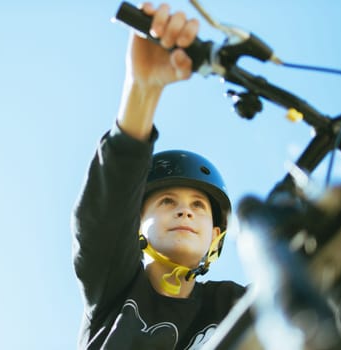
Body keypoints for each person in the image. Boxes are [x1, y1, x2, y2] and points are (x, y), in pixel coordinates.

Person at [71, 2, 245, 349]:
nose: (185, 211)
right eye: (168, 201)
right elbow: (104, 215)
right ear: (134, 223)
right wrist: (143, 88)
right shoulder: (115, 287)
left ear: (215, 235)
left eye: (199, 205)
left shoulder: (230, 305)